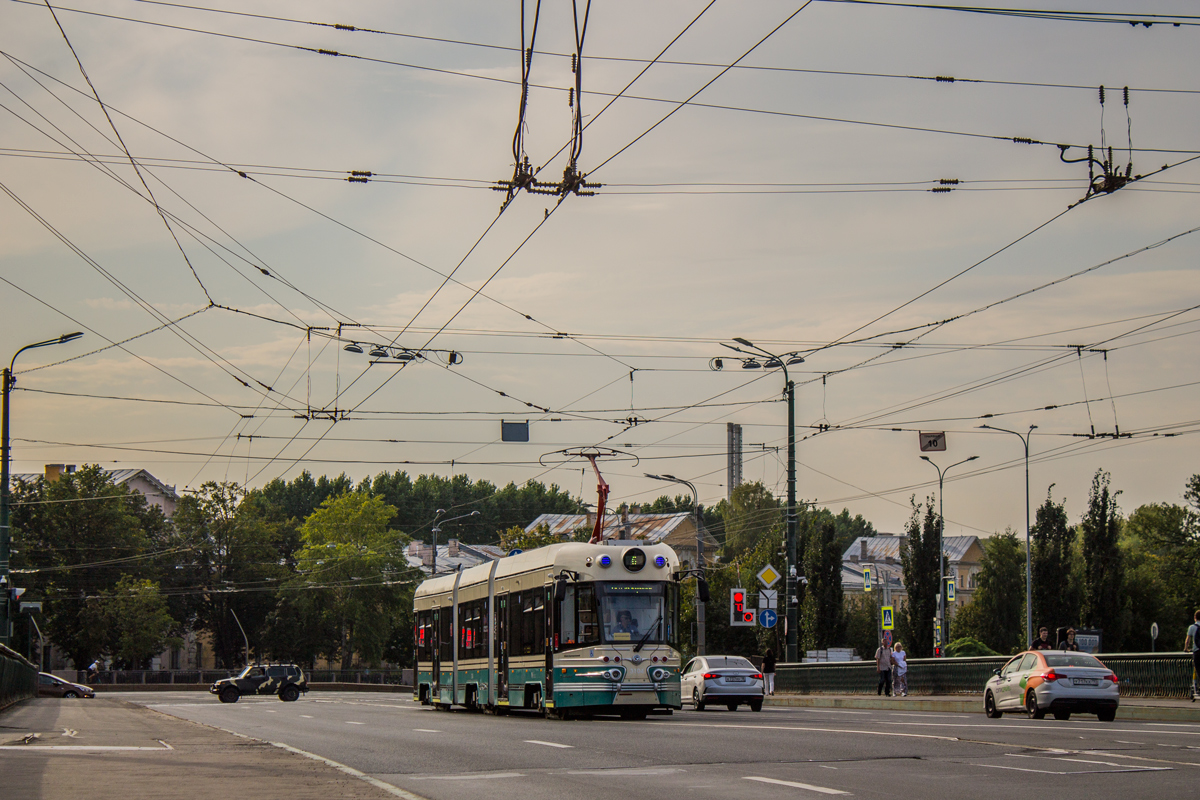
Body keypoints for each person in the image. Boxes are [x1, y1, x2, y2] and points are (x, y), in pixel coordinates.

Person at [1186, 610, 1200, 702]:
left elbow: (1188, 640)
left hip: (1197, 652)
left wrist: (1186, 649)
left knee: (1198, 670)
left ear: (1195, 617)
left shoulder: (1192, 627)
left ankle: (1197, 689)